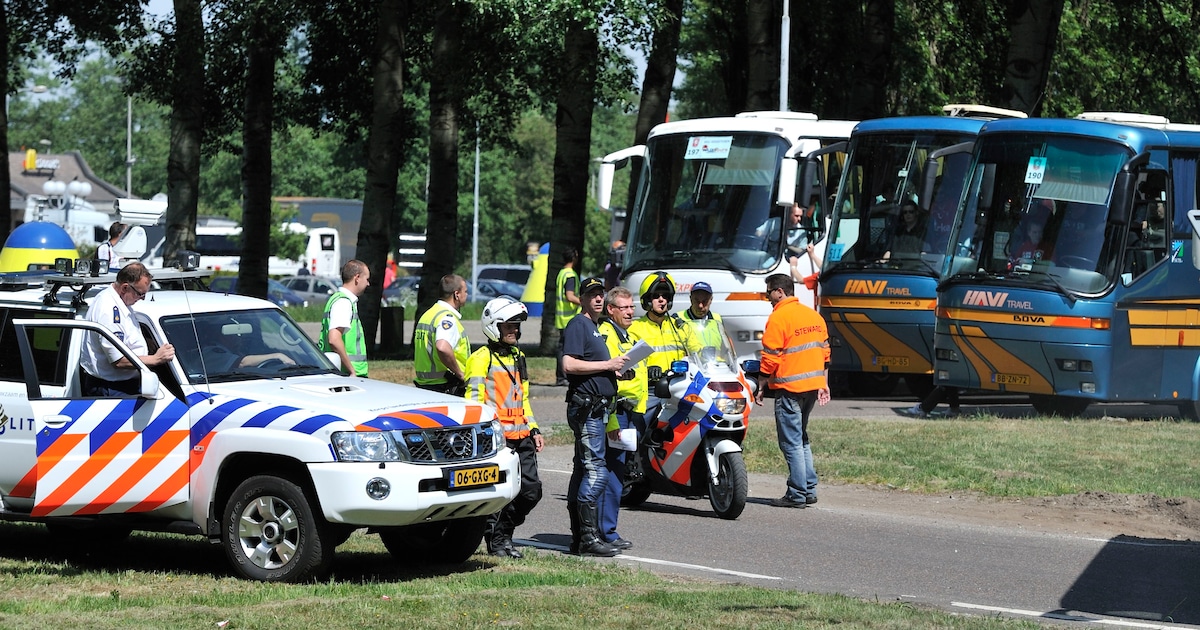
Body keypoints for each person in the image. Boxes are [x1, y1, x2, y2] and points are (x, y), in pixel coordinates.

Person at [464, 296, 543, 559]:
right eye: (509, 325)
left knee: (531, 492)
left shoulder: (519, 356)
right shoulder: (480, 358)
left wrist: (534, 429)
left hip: (522, 436)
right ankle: (498, 541)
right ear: (494, 327)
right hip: (497, 440)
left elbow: (524, 398)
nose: (515, 330)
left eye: (517, 325)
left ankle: (503, 533)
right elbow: (473, 402)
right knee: (499, 496)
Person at [563, 276, 628, 557]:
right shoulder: (579, 324)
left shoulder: (595, 327)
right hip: (587, 409)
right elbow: (568, 364)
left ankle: (580, 537)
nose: (599, 299)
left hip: (598, 408)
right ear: (582, 299)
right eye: (592, 295)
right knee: (597, 470)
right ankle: (588, 539)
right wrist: (608, 364)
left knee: (583, 469)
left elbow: (590, 365)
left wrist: (612, 372)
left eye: (601, 294)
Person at [754, 273, 830, 508]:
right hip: (811, 387)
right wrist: (824, 382)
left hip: (790, 388)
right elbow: (825, 352)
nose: (768, 298)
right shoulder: (814, 316)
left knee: (791, 442)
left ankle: (797, 493)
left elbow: (770, 357)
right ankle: (808, 489)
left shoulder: (779, 317)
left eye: (769, 292)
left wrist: (761, 384)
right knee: (801, 439)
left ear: (779, 291)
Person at [80, 262, 176, 396]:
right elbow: (118, 361)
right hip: (112, 388)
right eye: (140, 294)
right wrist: (155, 359)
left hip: (121, 385)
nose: (142, 298)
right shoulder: (109, 311)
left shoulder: (120, 301)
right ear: (125, 287)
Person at [596, 286, 644, 551]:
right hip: (614, 412)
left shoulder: (628, 335)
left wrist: (639, 411)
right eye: (624, 308)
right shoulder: (606, 335)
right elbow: (607, 380)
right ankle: (605, 531)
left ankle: (607, 528)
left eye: (631, 307)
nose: (630, 311)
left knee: (619, 470)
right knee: (611, 472)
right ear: (610, 310)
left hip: (629, 411)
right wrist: (613, 422)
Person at [628, 271, 700, 427]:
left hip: (680, 387)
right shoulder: (635, 328)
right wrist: (647, 371)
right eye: (656, 296)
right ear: (647, 299)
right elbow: (629, 362)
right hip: (651, 390)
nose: (662, 299)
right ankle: (637, 450)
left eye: (665, 296)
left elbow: (698, 353)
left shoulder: (679, 325)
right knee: (638, 429)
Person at [413, 274, 470, 394]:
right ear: (456, 294)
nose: (467, 295)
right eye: (465, 291)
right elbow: (442, 347)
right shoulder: (447, 318)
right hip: (445, 386)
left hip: (426, 385)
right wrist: (460, 374)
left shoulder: (428, 314)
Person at [319, 259, 371, 377]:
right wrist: (352, 370)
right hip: (347, 375)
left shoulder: (338, 299)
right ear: (357, 278)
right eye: (367, 279)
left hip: (342, 373)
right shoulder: (343, 303)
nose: (368, 284)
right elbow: (334, 339)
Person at [555, 248, 581, 386]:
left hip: (561, 317)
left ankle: (560, 377)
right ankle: (563, 377)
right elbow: (570, 296)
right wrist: (584, 302)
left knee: (561, 348)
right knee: (566, 349)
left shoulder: (561, 273)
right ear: (574, 257)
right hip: (569, 318)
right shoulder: (570, 275)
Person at [678, 281, 724, 351]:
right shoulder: (678, 318)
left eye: (704, 301)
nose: (700, 306)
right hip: (691, 361)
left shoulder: (717, 319)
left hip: (715, 361)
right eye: (697, 301)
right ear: (691, 299)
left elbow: (726, 348)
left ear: (711, 300)